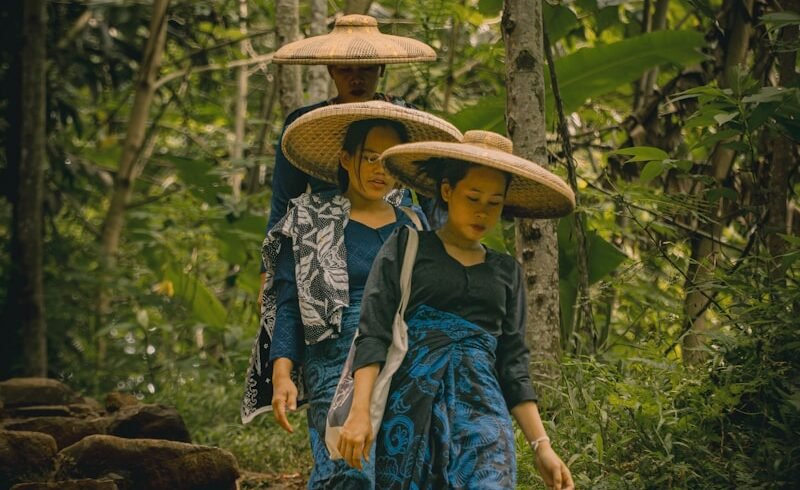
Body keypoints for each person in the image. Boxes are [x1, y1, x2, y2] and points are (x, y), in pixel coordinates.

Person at [338, 130, 577, 489]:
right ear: (448, 192)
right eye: (473, 197)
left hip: (484, 414)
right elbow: (373, 333)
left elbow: (513, 364)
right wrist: (359, 414)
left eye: (494, 202)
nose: (482, 211)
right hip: (411, 409)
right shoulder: (406, 247)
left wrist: (542, 446)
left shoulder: (506, 271)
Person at [241, 101, 461, 489]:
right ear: (345, 158)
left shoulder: (414, 223)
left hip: (405, 359)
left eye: (388, 161)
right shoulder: (311, 217)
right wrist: (282, 373)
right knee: (347, 470)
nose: (379, 170)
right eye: (370, 157)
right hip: (333, 357)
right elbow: (290, 301)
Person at [264, 14, 440, 240]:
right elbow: (284, 202)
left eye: (366, 69)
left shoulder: (407, 118)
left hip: (397, 232)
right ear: (331, 71)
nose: (356, 79)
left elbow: (431, 197)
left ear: (381, 69)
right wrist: (270, 268)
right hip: (327, 237)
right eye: (346, 70)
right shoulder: (307, 123)